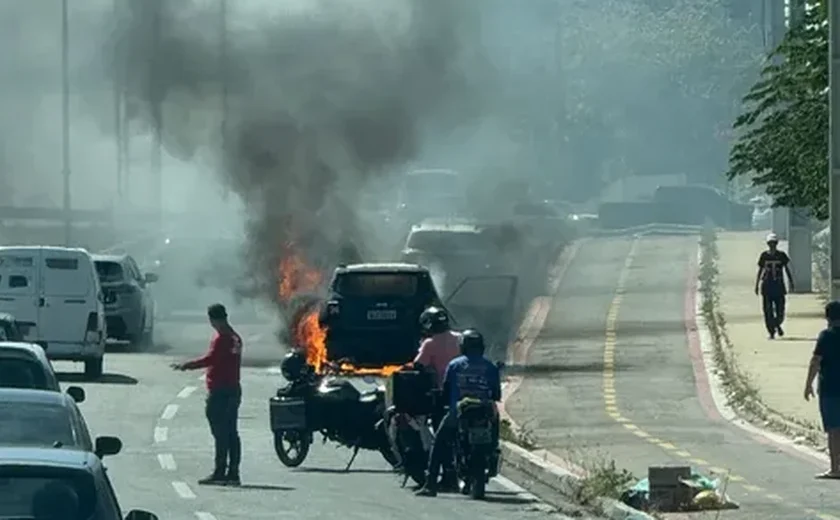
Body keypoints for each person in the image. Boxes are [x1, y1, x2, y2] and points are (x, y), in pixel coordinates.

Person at [415, 329, 501, 497]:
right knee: (494, 437)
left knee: (438, 443)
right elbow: (496, 395)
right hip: (485, 411)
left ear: (463, 347)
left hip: (459, 411)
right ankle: (492, 453)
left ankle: (430, 484)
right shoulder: (490, 366)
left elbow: (446, 391)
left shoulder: (455, 365)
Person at [172, 303, 243, 486]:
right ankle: (233, 472)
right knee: (231, 432)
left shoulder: (222, 339)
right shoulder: (235, 337)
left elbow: (210, 359)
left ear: (213, 319)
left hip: (221, 390)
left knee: (220, 432)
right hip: (233, 388)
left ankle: (221, 471)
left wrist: (186, 365)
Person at [411, 306, 461, 488]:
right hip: (467, 393)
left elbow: (418, 366)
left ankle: (443, 478)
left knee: (441, 439)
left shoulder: (429, 344)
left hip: (443, 396)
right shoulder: (460, 338)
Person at [804, 300, 840, 479]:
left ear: (827, 317)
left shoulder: (825, 336)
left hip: (830, 389)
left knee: (834, 430)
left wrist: (808, 384)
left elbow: (815, 361)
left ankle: (835, 468)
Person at [755, 232, 794, 339]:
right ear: (768, 244)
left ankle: (777, 324)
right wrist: (757, 284)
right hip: (767, 286)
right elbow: (760, 270)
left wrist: (791, 282)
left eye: (774, 243)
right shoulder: (764, 256)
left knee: (780, 310)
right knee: (768, 311)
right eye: (770, 243)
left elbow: (786, 269)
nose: (772, 245)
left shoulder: (781, 255)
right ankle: (771, 331)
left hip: (779, 286)